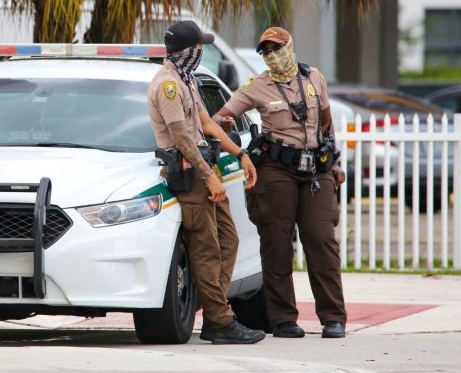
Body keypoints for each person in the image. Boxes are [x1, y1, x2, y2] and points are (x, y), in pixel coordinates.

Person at [214, 26, 347, 339]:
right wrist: (224, 122)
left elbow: (326, 124)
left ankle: (333, 318)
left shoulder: (315, 78)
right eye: (267, 51)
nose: (273, 55)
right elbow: (223, 114)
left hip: (316, 170)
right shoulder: (257, 86)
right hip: (277, 171)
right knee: (276, 244)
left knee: (321, 241)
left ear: (290, 45)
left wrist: (335, 163)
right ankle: (283, 319)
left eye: (278, 47)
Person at [147, 20, 263, 345]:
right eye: (199, 47)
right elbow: (181, 138)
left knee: (229, 241)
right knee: (208, 250)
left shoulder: (187, 81)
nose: (201, 53)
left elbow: (207, 124)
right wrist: (209, 176)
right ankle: (219, 321)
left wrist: (240, 153)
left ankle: (216, 312)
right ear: (188, 51)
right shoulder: (168, 86)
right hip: (192, 174)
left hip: (207, 171)